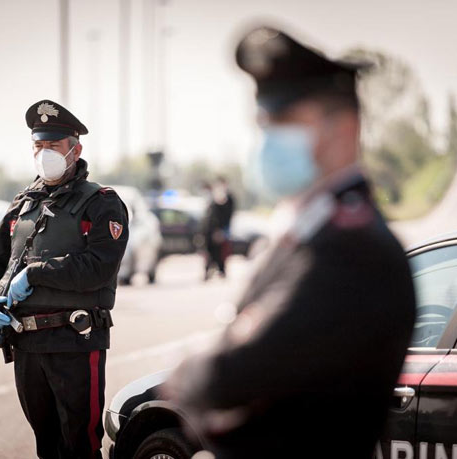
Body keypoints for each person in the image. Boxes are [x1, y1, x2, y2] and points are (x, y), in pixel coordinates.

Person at [162, 25, 415, 458]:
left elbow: (224, 379)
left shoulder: (353, 251)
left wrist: (194, 367)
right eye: (264, 123)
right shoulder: (306, 233)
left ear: (344, 129)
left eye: (286, 121)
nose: (268, 138)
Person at [0, 99, 128, 459]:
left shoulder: (101, 203)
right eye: (38, 146)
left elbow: (98, 266)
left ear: (75, 149)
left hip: (74, 341)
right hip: (26, 344)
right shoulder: (23, 204)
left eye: (53, 147)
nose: (45, 154)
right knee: (46, 445)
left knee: (80, 445)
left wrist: (36, 273)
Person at [202, 176, 235, 280]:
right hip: (210, 231)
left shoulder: (228, 198)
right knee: (210, 252)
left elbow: (227, 215)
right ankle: (209, 271)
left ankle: (221, 270)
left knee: (221, 252)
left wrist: (221, 230)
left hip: (221, 230)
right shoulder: (213, 198)